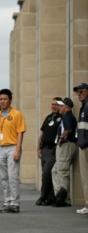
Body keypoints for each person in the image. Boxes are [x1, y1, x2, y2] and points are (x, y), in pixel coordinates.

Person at [35, 97, 62, 206]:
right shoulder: (48, 118)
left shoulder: (62, 118)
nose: (54, 106)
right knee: (45, 174)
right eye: (52, 104)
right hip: (44, 149)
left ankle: (43, 196)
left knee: (47, 173)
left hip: (53, 149)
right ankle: (50, 198)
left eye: (56, 104)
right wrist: (38, 147)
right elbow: (42, 133)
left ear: (60, 106)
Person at [51, 97, 78, 207]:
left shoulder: (67, 116)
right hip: (65, 145)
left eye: (61, 106)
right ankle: (60, 194)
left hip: (66, 144)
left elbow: (68, 128)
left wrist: (61, 138)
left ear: (67, 108)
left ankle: (64, 198)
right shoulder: (66, 116)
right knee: (55, 170)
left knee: (62, 171)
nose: (59, 107)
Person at [74, 83, 88, 214]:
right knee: (85, 177)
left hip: (86, 145)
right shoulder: (84, 107)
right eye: (77, 92)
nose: (79, 94)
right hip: (84, 145)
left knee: (86, 177)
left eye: (81, 92)